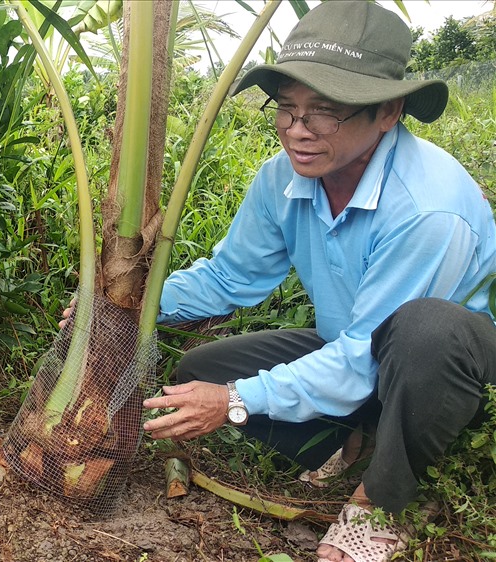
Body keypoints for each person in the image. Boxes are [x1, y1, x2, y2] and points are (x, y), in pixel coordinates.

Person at [88, 3, 494, 562]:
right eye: (287, 108)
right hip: (351, 347)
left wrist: (234, 402)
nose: (297, 131)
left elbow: (363, 358)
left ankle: (387, 500)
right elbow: (232, 276)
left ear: (388, 112)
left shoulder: (427, 209)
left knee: (428, 332)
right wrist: (123, 307)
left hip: (443, 372)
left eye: (324, 112)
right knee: (199, 373)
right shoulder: (283, 178)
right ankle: (352, 439)